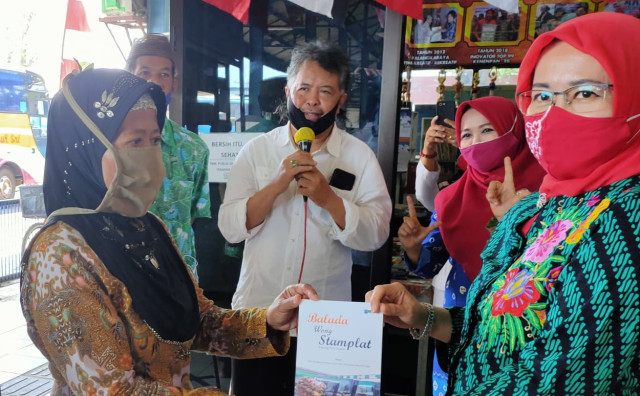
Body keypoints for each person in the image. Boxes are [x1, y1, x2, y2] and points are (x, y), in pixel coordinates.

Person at [368, 13, 640, 394]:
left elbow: (562, 376)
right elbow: (504, 327)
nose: (554, 113)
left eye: (585, 92)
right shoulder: (554, 203)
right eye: (542, 95)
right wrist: (424, 316)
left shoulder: (627, 218)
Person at [19, 67, 319, 395]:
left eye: (155, 140)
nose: (150, 154)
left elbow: (199, 320)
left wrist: (269, 320)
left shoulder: (147, 227)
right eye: (134, 141)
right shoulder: (58, 255)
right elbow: (113, 391)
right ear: (85, 150)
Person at [218, 41, 392, 395]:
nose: (313, 101)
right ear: (288, 91)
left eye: (325, 91)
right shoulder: (257, 151)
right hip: (258, 313)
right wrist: (278, 182)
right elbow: (230, 227)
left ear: (341, 99)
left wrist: (329, 199)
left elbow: (376, 233)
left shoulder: (358, 157)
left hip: (327, 323)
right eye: (304, 89)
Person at [398, 96, 545, 395]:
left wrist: (516, 220)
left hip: (532, 332)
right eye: (467, 134)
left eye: (488, 130)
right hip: (456, 326)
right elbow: (431, 262)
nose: (476, 141)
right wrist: (413, 247)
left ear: (514, 129)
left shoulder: (551, 190)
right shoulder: (451, 199)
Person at [125, 34, 211, 280]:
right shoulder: (107, 143)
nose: (154, 82)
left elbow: (192, 215)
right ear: (129, 76)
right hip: (125, 275)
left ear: (174, 82)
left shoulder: (194, 148)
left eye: (164, 74)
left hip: (179, 275)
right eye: (144, 73)